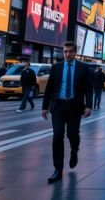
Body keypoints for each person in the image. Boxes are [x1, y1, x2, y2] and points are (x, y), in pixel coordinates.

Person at [42, 41, 92, 183]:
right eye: (65, 51)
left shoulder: (83, 68)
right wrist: (45, 107)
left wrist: (88, 105)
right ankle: (58, 169)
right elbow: (49, 88)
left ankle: (74, 150)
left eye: (70, 51)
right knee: (57, 135)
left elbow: (88, 88)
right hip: (58, 106)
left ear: (75, 52)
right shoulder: (56, 67)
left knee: (72, 134)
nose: (67, 54)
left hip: (75, 107)